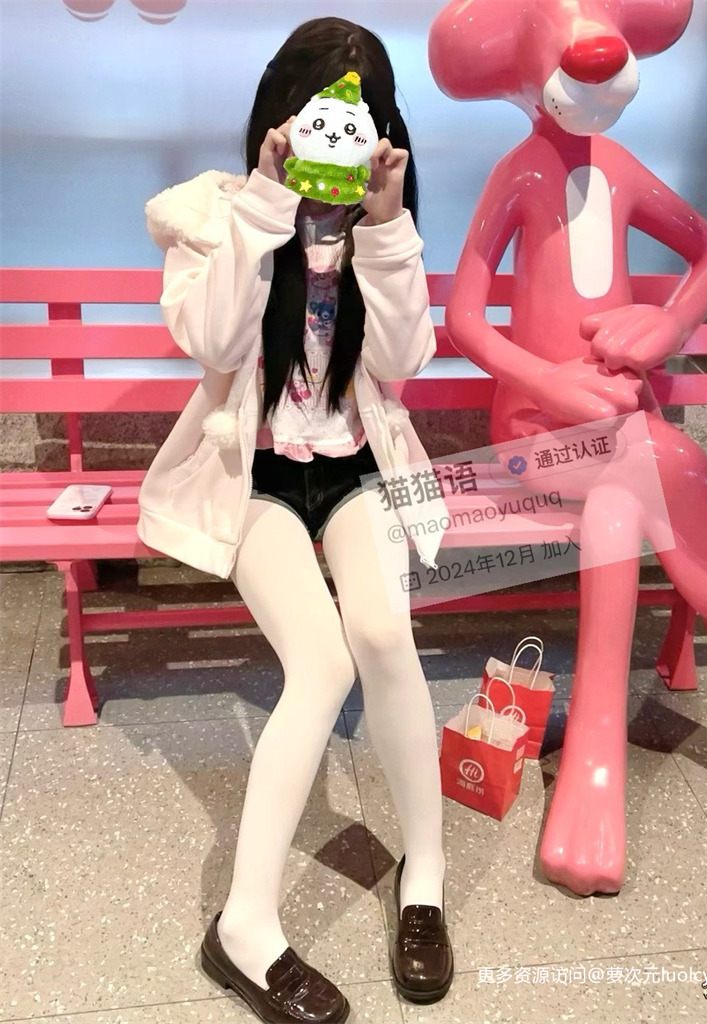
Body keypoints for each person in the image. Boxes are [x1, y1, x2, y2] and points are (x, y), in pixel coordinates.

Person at [138, 17, 453, 1024]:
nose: (334, 142)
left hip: (359, 460)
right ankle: (243, 927)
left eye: (356, 121)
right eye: (315, 116)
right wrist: (267, 205)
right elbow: (212, 339)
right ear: (279, 117)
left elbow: (401, 365)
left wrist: (388, 228)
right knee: (321, 665)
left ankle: (424, 877)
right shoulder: (214, 213)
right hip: (256, 471)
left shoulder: (378, 219)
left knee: (384, 637)